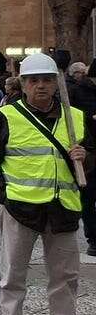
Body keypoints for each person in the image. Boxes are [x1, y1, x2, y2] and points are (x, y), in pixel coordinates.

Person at [0, 53, 96, 315]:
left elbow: (92, 161)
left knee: (65, 278)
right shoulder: (6, 116)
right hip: (20, 208)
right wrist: (3, 197)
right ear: (24, 84)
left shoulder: (77, 118)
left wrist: (86, 156)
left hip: (63, 209)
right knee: (13, 276)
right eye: (33, 81)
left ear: (56, 83)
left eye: (46, 80)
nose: (40, 86)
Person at [67, 62, 96, 258]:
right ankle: (93, 238)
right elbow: (72, 118)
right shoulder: (77, 92)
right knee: (89, 198)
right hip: (89, 150)